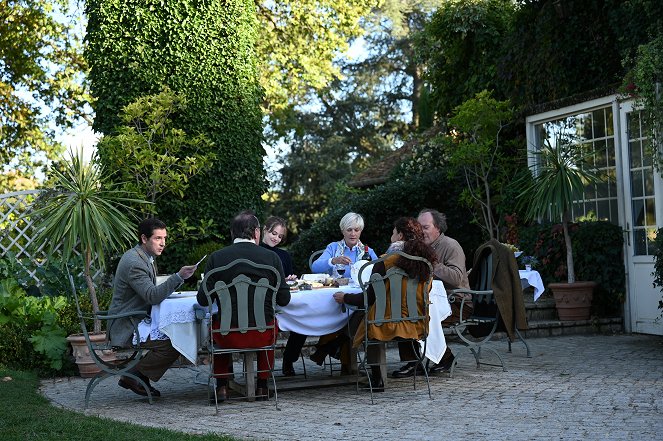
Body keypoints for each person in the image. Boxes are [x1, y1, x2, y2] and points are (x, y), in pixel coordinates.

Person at [196, 210, 291, 402]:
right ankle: (263, 385)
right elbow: (284, 299)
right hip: (261, 334)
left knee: (219, 322)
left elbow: (203, 300)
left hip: (227, 335)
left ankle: (222, 386)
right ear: (256, 232)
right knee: (269, 321)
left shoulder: (217, 258)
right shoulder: (271, 258)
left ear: (232, 233)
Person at [332, 218, 437, 390]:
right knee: (367, 315)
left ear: (400, 235)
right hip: (416, 320)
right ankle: (335, 345)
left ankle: (376, 378)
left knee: (367, 317)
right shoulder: (426, 261)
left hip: (383, 324)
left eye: (393, 232)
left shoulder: (384, 261)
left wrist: (346, 298)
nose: (392, 235)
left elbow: (369, 298)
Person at [108, 218, 197, 398]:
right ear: (144, 238)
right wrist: (178, 276)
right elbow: (152, 296)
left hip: (136, 319)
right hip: (126, 325)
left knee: (176, 334)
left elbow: (151, 292)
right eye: (157, 238)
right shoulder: (134, 262)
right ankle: (134, 375)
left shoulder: (144, 257)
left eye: (164, 238)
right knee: (174, 341)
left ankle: (137, 375)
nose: (163, 243)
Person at [282, 212, 378, 376]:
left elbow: (376, 271)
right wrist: (333, 261)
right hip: (331, 298)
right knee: (305, 316)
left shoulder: (368, 251)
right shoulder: (334, 247)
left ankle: (345, 363)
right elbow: (315, 267)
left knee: (354, 317)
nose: (353, 233)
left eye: (356, 230)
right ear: (343, 231)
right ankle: (289, 358)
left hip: (355, 298)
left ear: (361, 231)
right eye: (349, 230)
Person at [394, 208, 470, 377]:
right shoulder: (417, 247)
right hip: (427, 301)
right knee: (401, 312)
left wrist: (431, 263)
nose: (421, 232)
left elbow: (456, 278)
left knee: (416, 316)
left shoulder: (450, 245)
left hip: (457, 303)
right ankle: (414, 362)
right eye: (419, 227)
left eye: (426, 227)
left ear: (438, 228)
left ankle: (445, 358)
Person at [260, 216, 296, 280]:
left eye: (280, 236)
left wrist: (290, 279)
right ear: (265, 229)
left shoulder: (285, 255)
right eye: (274, 233)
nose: (276, 238)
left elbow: (288, 279)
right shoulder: (254, 251)